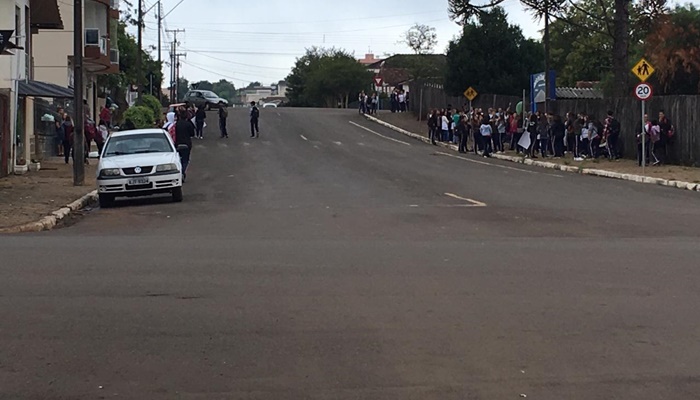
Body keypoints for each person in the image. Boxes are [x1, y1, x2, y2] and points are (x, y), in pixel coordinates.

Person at [175, 107, 195, 182]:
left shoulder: (177, 124)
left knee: (178, 159)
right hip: (187, 144)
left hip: (178, 143)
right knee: (185, 160)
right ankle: (182, 172)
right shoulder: (188, 124)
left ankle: (180, 172)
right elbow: (192, 134)